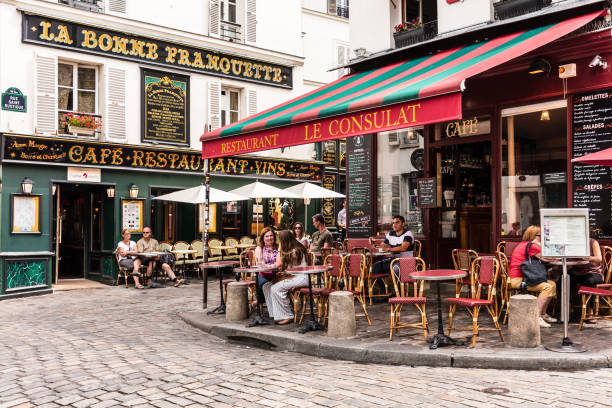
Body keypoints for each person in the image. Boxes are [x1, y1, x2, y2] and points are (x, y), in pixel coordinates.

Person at [508, 225, 557, 328]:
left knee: (552, 284)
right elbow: (547, 258)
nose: (543, 238)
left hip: (522, 277)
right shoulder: (531, 246)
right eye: (541, 236)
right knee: (547, 287)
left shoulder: (524, 244)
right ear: (535, 236)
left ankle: (543, 314)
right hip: (519, 280)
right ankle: (537, 317)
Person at [262, 230, 310, 325]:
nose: (278, 242)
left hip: (301, 278)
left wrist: (279, 248)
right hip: (293, 276)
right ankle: (275, 313)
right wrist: (283, 272)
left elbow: (279, 262)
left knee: (275, 288)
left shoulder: (296, 250)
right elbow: (288, 266)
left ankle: (287, 315)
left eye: (280, 240)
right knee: (266, 286)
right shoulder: (291, 249)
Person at [569, 237, 604, 324]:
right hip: (576, 271)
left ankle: (590, 312)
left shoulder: (592, 242)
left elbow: (599, 258)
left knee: (589, 282)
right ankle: (568, 309)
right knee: (563, 280)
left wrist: (588, 258)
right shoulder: (570, 242)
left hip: (593, 272)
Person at [371, 215, 414, 280]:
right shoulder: (390, 234)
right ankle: (384, 289)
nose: (394, 225)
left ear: (403, 224)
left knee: (396, 269)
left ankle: (399, 290)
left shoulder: (408, 234)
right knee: (374, 267)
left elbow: (403, 248)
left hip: (405, 260)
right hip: (393, 260)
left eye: (397, 222)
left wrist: (388, 249)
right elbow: (383, 245)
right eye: (393, 223)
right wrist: (375, 243)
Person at [253, 227, 279, 305]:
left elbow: (281, 262)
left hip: (277, 275)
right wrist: (274, 266)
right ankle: (261, 301)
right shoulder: (260, 248)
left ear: (274, 237)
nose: (269, 238)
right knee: (264, 284)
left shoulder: (278, 248)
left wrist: (269, 266)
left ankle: (275, 303)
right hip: (263, 274)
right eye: (267, 236)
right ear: (263, 238)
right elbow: (260, 265)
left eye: (271, 235)